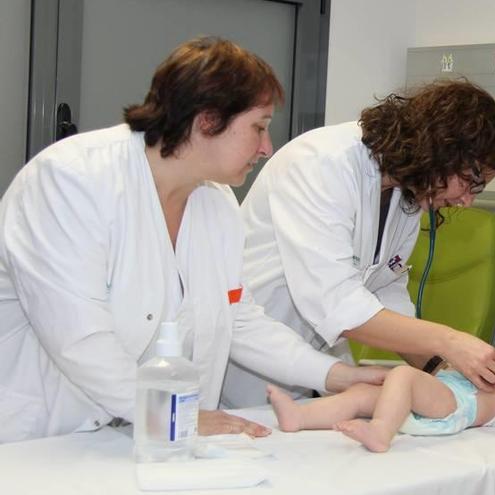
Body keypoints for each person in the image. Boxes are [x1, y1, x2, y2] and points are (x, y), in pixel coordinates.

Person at [0, 37, 383, 443]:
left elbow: (239, 320)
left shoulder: (215, 204)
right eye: (259, 127)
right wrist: (177, 414)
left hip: (137, 435)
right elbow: (78, 338)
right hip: (40, 437)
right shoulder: (70, 180)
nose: (267, 148)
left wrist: (337, 375)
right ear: (208, 120)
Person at [226, 80, 495, 406]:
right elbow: (338, 304)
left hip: (314, 370)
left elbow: (384, 290)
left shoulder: (408, 191)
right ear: (441, 150)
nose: (465, 202)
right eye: (469, 183)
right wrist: (449, 341)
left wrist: (440, 369)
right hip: (243, 370)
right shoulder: (322, 164)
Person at [267, 344, 495, 452]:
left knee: (402, 376)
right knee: (363, 394)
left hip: (459, 406)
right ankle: (300, 417)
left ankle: (381, 433)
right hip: (442, 394)